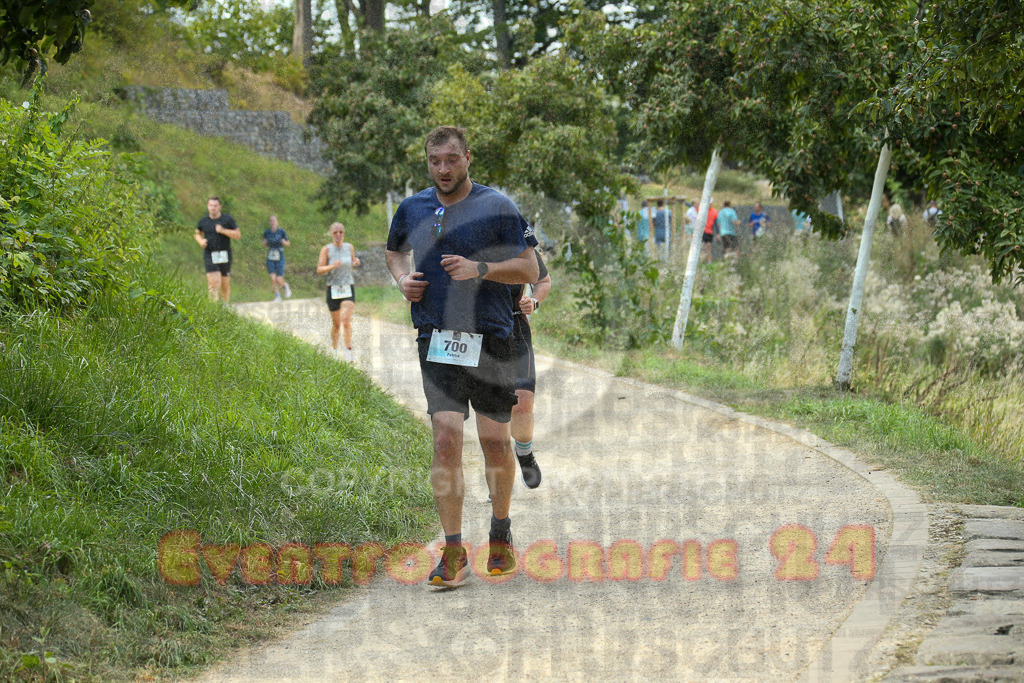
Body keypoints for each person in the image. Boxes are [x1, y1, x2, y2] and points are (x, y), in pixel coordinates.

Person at [385, 126, 539, 588]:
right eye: (435, 161)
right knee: (446, 438)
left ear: (468, 157)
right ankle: (453, 552)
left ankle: (500, 532)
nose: (444, 169)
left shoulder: (498, 206)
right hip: (436, 337)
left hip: (492, 337)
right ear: (427, 161)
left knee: (495, 441)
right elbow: (395, 251)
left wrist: (482, 269)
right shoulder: (413, 207)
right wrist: (401, 281)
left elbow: (530, 267)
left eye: (452, 159)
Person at [316, 222, 361, 361]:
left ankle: (348, 352)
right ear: (331, 234)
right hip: (333, 288)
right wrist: (332, 266)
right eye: (335, 232)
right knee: (336, 325)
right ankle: (335, 350)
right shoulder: (327, 250)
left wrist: (355, 262)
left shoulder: (349, 247)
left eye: (341, 232)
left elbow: (352, 261)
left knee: (346, 321)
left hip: (348, 287)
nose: (338, 235)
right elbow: (319, 269)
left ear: (344, 233)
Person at [194, 196, 241, 302]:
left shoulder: (227, 219)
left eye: (215, 206)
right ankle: (212, 309)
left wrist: (223, 230)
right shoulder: (204, 221)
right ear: (207, 206)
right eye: (210, 205)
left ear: (219, 207)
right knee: (213, 283)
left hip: (225, 254)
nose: (213, 208)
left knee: (224, 284)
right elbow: (197, 233)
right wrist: (201, 241)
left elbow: (238, 234)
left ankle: (225, 305)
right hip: (210, 254)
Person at [263, 215, 292, 302]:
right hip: (271, 255)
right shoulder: (267, 232)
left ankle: (285, 286)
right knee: (272, 277)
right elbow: (264, 243)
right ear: (269, 222)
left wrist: (284, 242)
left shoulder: (281, 231)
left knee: (279, 279)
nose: (273, 222)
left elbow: (288, 243)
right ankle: (277, 295)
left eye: (274, 220)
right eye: (271, 221)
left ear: (277, 222)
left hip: (279, 255)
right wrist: (264, 243)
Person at [702, 198, 719, 264]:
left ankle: (708, 261)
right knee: (704, 246)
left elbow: (715, 223)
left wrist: (718, 233)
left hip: (709, 232)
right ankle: (705, 261)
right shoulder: (702, 210)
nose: (709, 204)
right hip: (702, 231)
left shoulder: (714, 211)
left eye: (710, 203)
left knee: (708, 246)